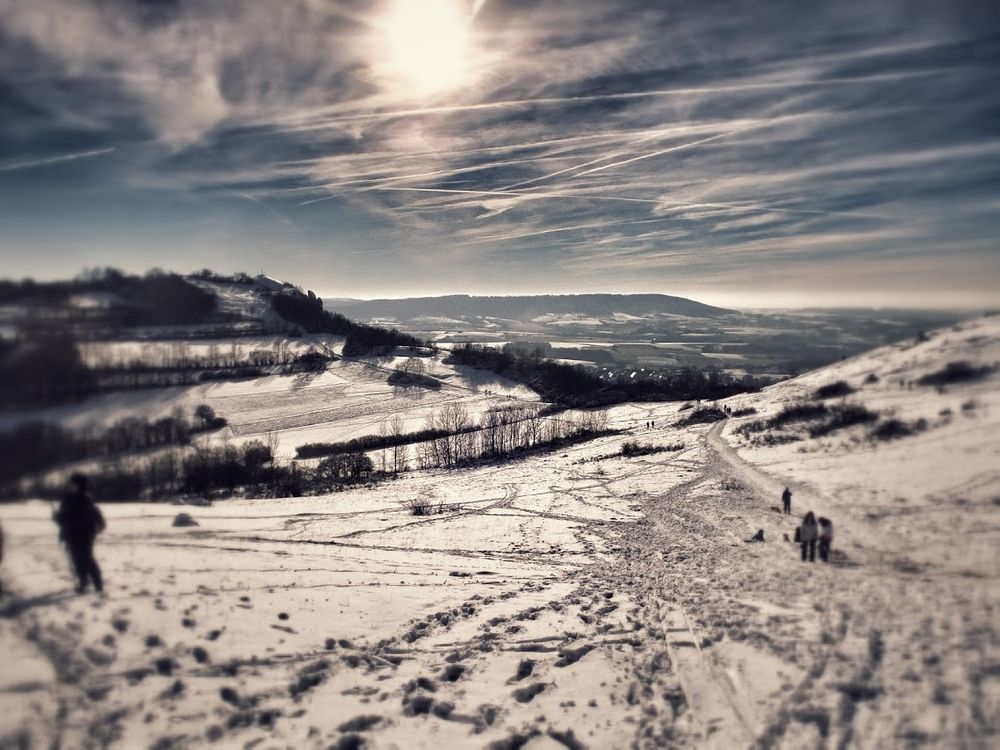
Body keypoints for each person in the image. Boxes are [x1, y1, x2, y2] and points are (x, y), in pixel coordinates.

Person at [54, 473, 105, 594]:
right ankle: (83, 581)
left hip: (85, 533)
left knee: (86, 557)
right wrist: (58, 519)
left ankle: (97, 582)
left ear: (80, 485)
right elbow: (64, 516)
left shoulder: (85, 499)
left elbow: (80, 518)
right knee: (76, 558)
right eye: (69, 483)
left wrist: (61, 520)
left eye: (73, 483)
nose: (69, 485)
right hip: (71, 532)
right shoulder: (67, 498)